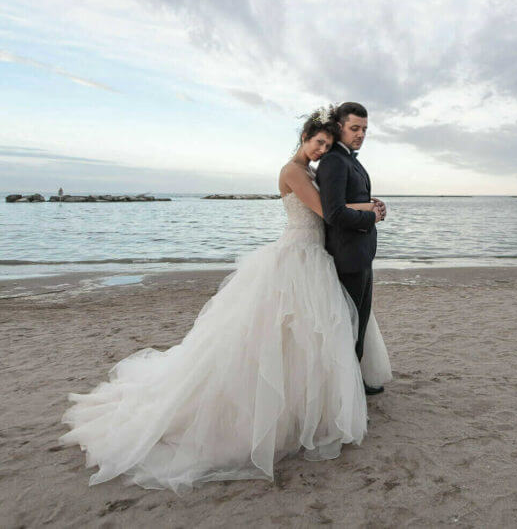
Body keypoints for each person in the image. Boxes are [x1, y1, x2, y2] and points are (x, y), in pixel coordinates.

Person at [59, 109, 391, 492]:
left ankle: (309, 406)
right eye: (317, 142)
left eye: (327, 145)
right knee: (286, 332)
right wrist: (372, 209)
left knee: (308, 335)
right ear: (303, 138)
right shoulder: (293, 172)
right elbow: (326, 213)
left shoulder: (312, 170)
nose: (321, 150)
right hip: (297, 255)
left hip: (313, 255)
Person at [315, 102, 387, 395]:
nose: (360, 135)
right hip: (347, 256)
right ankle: (347, 396)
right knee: (349, 328)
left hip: (361, 254)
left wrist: (374, 205)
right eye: (355, 128)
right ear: (339, 127)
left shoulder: (350, 160)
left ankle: (354, 383)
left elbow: (353, 199)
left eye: (365, 130)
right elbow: (333, 213)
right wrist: (371, 216)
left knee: (360, 322)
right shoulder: (333, 161)